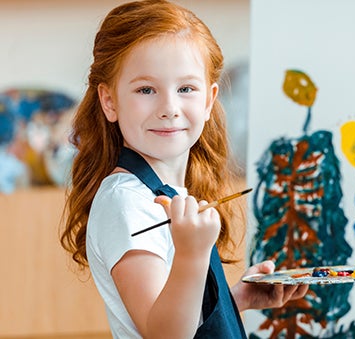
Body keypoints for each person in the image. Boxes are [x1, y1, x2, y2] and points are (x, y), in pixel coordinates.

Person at [59, 1, 308, 338]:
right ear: (110, 101)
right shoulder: (127, 201)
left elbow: (179, 313)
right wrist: (192, 255)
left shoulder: (162, 192)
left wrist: (235, 300)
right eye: (146, 90)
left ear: (208, 101)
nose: (169, 108)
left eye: (186, 89)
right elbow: (165, 334)